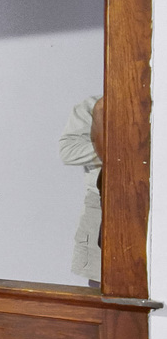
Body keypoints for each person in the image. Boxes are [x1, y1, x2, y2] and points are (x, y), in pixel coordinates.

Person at [58, 95, 103, 285]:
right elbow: (68, 151)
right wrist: (123, 150)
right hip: (100, 206)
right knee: (100, 285)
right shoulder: (94, 105)